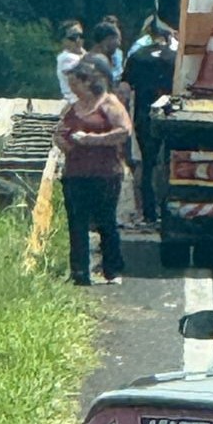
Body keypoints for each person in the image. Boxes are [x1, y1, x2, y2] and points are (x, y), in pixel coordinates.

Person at [54, 53, 132, 285]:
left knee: (105, 221)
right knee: (76, 224)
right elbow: (60, 133)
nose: (72, 87)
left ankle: (113, 270)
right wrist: (61, 141)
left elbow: (124, 131)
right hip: (75, 173)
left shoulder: (108, 103)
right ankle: (79, 272)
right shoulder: (72, 108)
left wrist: (92, 139)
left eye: (75, 82)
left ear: (88, 82)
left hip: (105, 173)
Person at [121, 26, 177, 226]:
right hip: (171, 116)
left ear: (150, 36)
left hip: (144, 116)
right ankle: (168, 211)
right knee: (168, 164)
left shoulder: (137, 56)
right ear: (167, 37)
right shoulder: (174, 57)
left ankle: (148, 213)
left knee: (147, 164)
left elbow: (125, 89)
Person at [55, 19, 86, 102]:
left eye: (81, 36)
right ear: (63, 40)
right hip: (73, 101)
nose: (78, 40)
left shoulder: (83, 55)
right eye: (73, 37)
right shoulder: (66, 58)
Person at [88, 19, 124, 88]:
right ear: (108, 40)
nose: (119, 44)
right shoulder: (100, 61)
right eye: (117, 39)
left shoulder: (88, 58)